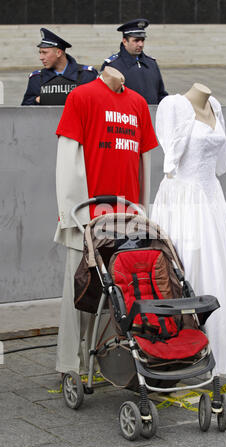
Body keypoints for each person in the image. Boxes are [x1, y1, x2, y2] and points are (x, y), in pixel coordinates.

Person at [54, 66, 158, 376]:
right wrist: (72, 216)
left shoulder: (138, 103)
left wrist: (143, 213)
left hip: (126, 218)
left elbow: (144, 163)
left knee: (120, 294)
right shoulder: (81, 96)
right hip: (88, 217)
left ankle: (110, 362)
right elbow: (67, 160)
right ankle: (70, 364)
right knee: (79, 294)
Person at [151, 83, 226, 379]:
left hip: (212, 198)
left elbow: (218, 162)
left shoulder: (215, 106)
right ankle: (179, 352)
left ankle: (215, 349)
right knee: (187, 267)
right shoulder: (175, 107)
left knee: (217, 270)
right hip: (184, 198)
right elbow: (172, 160)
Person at [21, 28, 98, 106]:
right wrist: (37, 100)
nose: (41, 57)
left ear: (58, 53)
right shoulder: (36, 78)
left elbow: (98, 104)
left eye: (44, 53)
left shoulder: (87, 75)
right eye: (40, 53)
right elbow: (25, 110)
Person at [100, 18, 168, 105]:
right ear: (125, 41)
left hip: (151, 117)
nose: (141, 44)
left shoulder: (151, 64)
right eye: (136, 40)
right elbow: (104, 100)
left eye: (142, 40)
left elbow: (160, 94)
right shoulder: (112, 66)